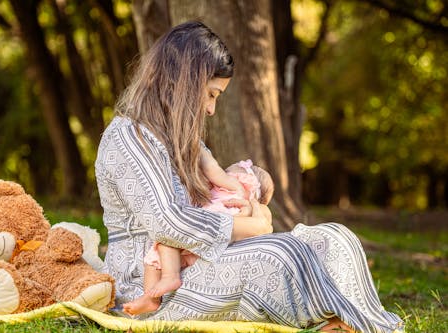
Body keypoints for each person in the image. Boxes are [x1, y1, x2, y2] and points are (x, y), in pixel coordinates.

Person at [95, 21, 404, 333]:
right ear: (184, 83)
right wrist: (254, 226)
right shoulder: (128, 137)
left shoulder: (186, 143)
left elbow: (220, 199)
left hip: (201, 259)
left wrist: (255, 211)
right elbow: (167, 223)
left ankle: (352, 322)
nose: (212, 109)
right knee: (278, 255)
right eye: (211, 94)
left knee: (334, 239)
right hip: (151, 282)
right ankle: (336, 319)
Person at [123, 157, 275, 315]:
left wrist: (203, 157)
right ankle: (151, 298)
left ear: (245, 179)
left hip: (207, 231)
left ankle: (169, 277)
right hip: (209, 246)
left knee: (165, 242)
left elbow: (213, 171)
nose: (225, 172)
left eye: (232, 169)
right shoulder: (241, 202)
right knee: (161, 248)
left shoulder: (236, 187)